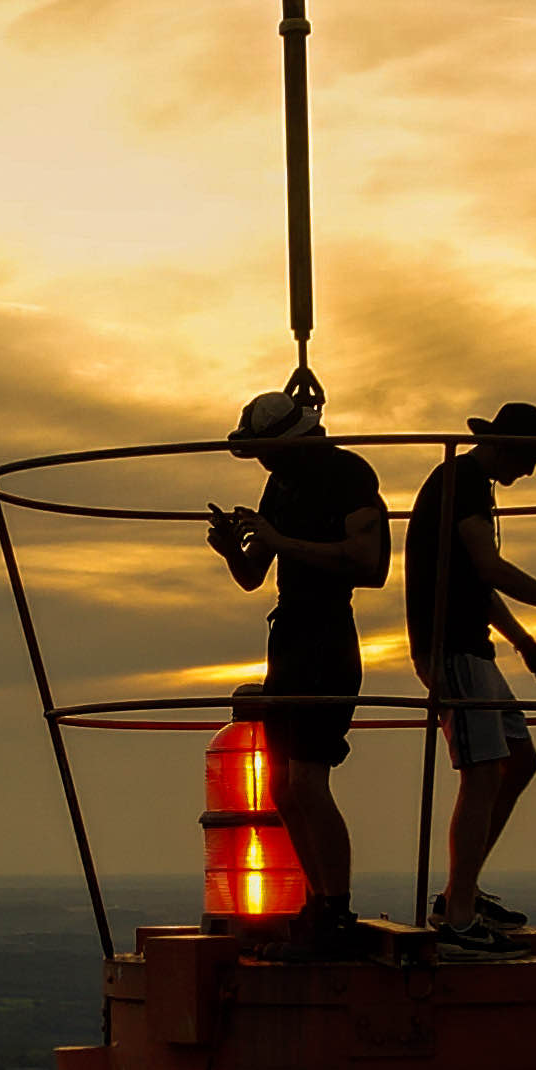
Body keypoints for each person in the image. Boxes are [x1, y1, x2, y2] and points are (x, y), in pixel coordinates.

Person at [403, 401, 536, 954]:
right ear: (507, 447)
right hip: (451, 649)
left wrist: (525, 644)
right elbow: (488, 568)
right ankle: (458, 918)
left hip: (474, 647)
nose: (530, 472)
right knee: (484, 771)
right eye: (532, 459)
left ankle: (459, 892)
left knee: (518, 760)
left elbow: (476, 582)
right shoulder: (462, 481)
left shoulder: (471, 485)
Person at [205, 379, 388, 955]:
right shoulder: (277, 487)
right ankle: (318, 904)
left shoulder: (348, 476)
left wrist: (281, 538)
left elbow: (369, 564)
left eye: (264, 450)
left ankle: (335, 908)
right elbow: (254, 573)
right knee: (284, 788)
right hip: (287, 638)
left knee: (308, 779)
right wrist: (233, 548)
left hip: (328, 638)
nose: (259, 460)